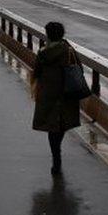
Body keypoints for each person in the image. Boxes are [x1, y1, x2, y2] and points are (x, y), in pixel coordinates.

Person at [29, 21, 81, 175]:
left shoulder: (44, 53)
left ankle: (56, 157)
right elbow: (79, 69)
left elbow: (36, 72)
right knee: (62, 124)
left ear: (48, 35)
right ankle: (57, 151)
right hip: (67, 93)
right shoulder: (69, 50)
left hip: (49, 94)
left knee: (52, 127)